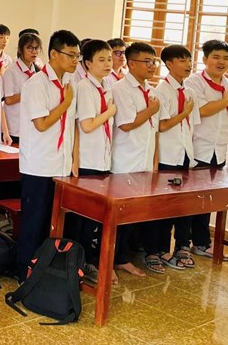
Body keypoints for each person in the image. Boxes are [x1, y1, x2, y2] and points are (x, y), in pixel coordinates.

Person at [15, 30, 80, 282]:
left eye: (77, 55)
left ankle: (45, 272)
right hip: (39, 165)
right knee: (34, 223)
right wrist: (65, 103)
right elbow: (41, 124)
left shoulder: (68, 84)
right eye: (70, 55)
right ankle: (25, 274)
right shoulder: (37, 84)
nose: (75, 60)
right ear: (53, 54)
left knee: (53, 224)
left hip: (60, 164)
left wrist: (73, 160)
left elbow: (71, 126)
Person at [185, 39, 228, 261]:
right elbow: (201, 111)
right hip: (197, 150)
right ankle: (182, 244)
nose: (221, 62)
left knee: (208, 200)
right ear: (205, 59)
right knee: (190, 200)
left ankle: (201, 243)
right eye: (216, 57)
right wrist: (226, 100)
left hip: (218, 152)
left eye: (226, 58)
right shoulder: (194, 82)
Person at [71, 39, 118, 284]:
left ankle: (88, 262)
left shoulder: (107, 86)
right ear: (87, 63)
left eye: (109, 59)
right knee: (81, 218)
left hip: (103, 159)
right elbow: (87, 125)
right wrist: (109, 112)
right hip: (88, 159)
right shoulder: (84, 87)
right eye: (101, 59)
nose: (108, 64)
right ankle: (78, 264)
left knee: (94, 218)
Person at [111, 40, 160, 275]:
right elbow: (127, 124)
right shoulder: (121, 89)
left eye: (154, 61)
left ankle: (122, 257)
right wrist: (151, 110)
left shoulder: (151, 90)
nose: (152, 66)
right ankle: (112, 259)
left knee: (133, 215)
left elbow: (154, 130)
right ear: (131, 63)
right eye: (147, 61)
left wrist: (154, 162)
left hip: (144, 160)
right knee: (119, 216)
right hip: (125, 160)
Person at [152, 44, 198, 270]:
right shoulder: (161, 91)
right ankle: (160, 249)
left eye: (189, 60)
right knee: (164, 206)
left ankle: (182, 246)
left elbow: (192, 126)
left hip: (185, 154)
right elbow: (161, 126)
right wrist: (184, 113)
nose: (188, 64)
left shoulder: (190, 92)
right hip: (167, 155)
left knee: (184, 205)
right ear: (169, 64)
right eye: (182, 60)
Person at [2, 31, 42, 143]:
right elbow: (9, 100)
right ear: (20, 49)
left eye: (36, 48)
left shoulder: (38, 72)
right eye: (29, 48)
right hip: (14, 127)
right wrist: (29, 92)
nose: (34, 51)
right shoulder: (11, 71)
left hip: (32, 127)